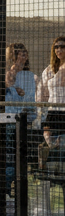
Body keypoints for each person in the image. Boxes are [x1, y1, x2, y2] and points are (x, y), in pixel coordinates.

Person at [39, 37, 65, 166]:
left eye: (62, 47)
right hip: (52, 110)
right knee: (48, 138)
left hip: (64, 108)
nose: (59, 49)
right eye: (56, 47)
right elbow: (43, 91)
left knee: (63, 144)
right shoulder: (49, 69)